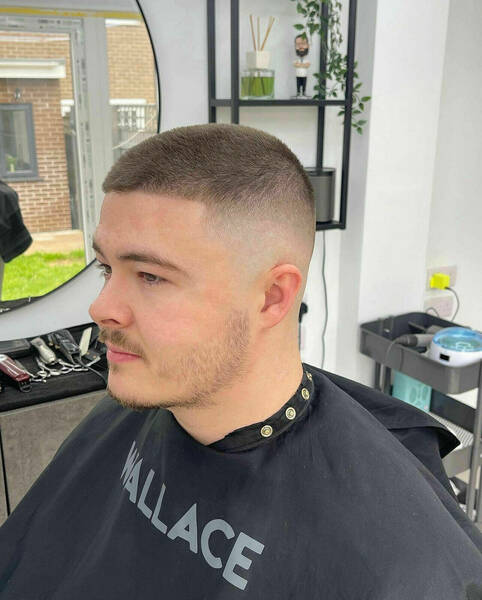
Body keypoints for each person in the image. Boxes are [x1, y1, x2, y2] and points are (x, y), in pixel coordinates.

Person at [0, 124, 481, 599]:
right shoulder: (134, 407)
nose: (101, 307)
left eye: (149, 276)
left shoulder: (400, 568)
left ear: (272, 297)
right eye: (107, 268)